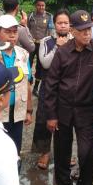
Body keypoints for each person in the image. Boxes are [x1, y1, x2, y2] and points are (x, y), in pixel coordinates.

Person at [44, 10, 93, 185]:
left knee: (87, 152)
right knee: (62, 149)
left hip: (86, 111)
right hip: (63, 109)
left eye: (89, 29)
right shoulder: (63, 52)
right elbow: (51, 84)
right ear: (72, 30)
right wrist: (51, 115)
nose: (87, 34)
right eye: (82, 30)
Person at [32, 9, 71, 170]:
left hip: (68, 87)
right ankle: (44, 152)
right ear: (54, 24)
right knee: (44, 118)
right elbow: (46, 63)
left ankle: (65, 155)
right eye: (59, 23)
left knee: (66, 121)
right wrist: (57, 47)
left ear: (70, 25)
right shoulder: (46, 41)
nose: (62, 26)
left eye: (65, 23)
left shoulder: (75, 40)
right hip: (49, 86)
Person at [0, 15, 33, 155]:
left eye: (15, 32)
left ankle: (14, 173)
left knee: (15, 148)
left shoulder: (23, 54)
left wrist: (29, 110)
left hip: (18, 111)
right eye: (7, 32)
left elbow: (27, 83)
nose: (12, 36)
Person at [27, 0, 54, 96]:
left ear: (45, 6)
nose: (41, 7)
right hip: (30, 43)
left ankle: (35, 88)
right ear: (36, 6)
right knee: (28, 64)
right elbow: (26, 29)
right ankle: (27, 84)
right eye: (39, 5)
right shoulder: (31, 16)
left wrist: (49, 45)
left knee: (40, 66)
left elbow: (51, 32)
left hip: (42, 45)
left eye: (43, 5)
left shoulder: (49, 17)